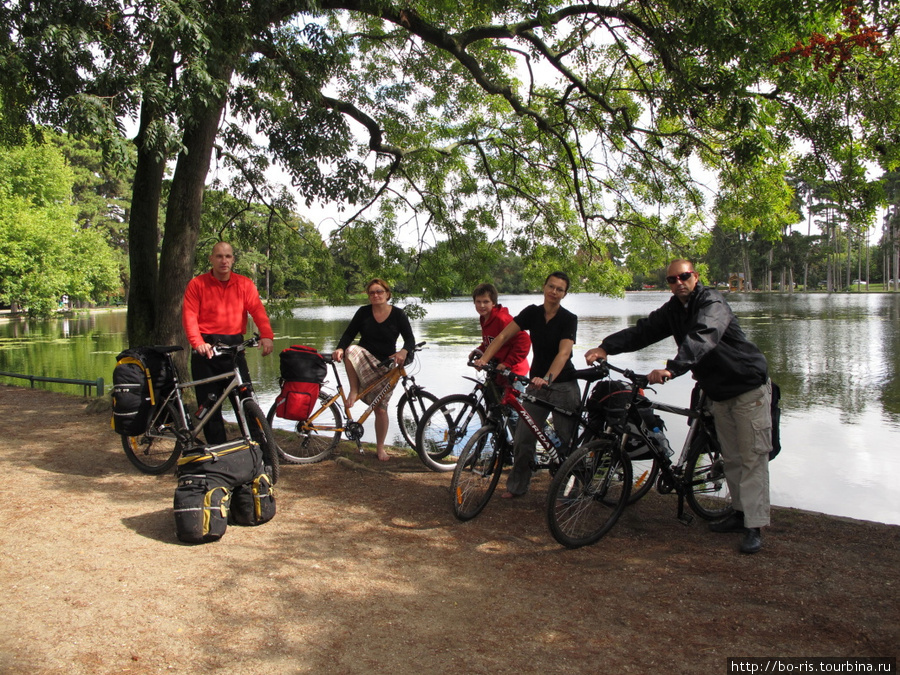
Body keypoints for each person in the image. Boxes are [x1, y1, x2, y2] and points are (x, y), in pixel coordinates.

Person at [585, 259, 772, 554]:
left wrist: (672, 369)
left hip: (747, 387)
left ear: (695, 277)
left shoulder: (713, 303)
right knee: (733, 457)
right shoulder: (674, 309)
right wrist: (606, 346)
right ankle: (739, 514)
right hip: (717, 391)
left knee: (751, 457)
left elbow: (703, 337)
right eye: (672, 280)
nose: (678, 283)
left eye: (684, 277)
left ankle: (755, 526)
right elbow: (643, 331)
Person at [475, 272, 579, 499]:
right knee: (523, 438)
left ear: (564, 293)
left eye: (559, 289)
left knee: (566, 441)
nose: (554, 292)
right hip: (535, 386)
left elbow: (564, 353)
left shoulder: (569, 319)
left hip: (563, 386)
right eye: (551, 286)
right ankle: (517, 487)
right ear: (544, 287)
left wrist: (548, 378)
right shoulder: (532, 312)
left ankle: (572, 491)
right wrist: (484, 359)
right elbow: (502, 337)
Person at [182, 241, 275, 446]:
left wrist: (267, 335)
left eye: (228, 256)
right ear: (211, 259)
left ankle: (260, 451)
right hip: (206, 350)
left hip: (233, 349)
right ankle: (219, 454)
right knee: (210, 407)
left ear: (233, 259)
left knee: (246, 402)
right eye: (219, 256)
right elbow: (189, 317)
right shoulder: (197, 284)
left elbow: (258, 311)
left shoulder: (244, 284)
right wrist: (197, 342)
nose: (224, 261)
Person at [332, 278, 416, 462]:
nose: (376, 295)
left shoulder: (398, 315)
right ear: (368, 295)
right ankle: (354, 391)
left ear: (387, 294)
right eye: (372, 292)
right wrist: (339, 348)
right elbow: (349, 334)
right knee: (350, 350)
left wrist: (404, 350)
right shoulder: (363, 312)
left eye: (379, 291)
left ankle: (380, 448)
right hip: (364, 358)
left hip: (386, 365)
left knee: (381, 410)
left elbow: (410, 340)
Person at [469, 282, 531, 379]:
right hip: (498, 368)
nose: (481, 305)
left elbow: (524, 340)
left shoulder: (502, 319)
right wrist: (479, 350)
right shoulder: (484, 318)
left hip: (514, 370)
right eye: (478, 301)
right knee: (489, 393)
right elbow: (491, 341)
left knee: (509, 395)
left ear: (493, 303)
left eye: (486, 302)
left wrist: (508, 363)